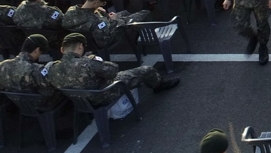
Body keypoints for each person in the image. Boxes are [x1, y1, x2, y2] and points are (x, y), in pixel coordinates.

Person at [45, 32, 179, 104]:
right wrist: (97, 60)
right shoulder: (87, 63)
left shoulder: (52, 68)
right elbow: (113, 70)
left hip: (79, 101)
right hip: (102, 95)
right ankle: (159, 85)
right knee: (146, 70)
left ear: (62, 50)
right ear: (80, 46)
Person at [0, 34, 63, 110]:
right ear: (37, 50)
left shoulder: (3, 65)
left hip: (13, 104)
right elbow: (48, 88)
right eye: (41, 52)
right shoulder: (35, 69)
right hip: (36, 106)